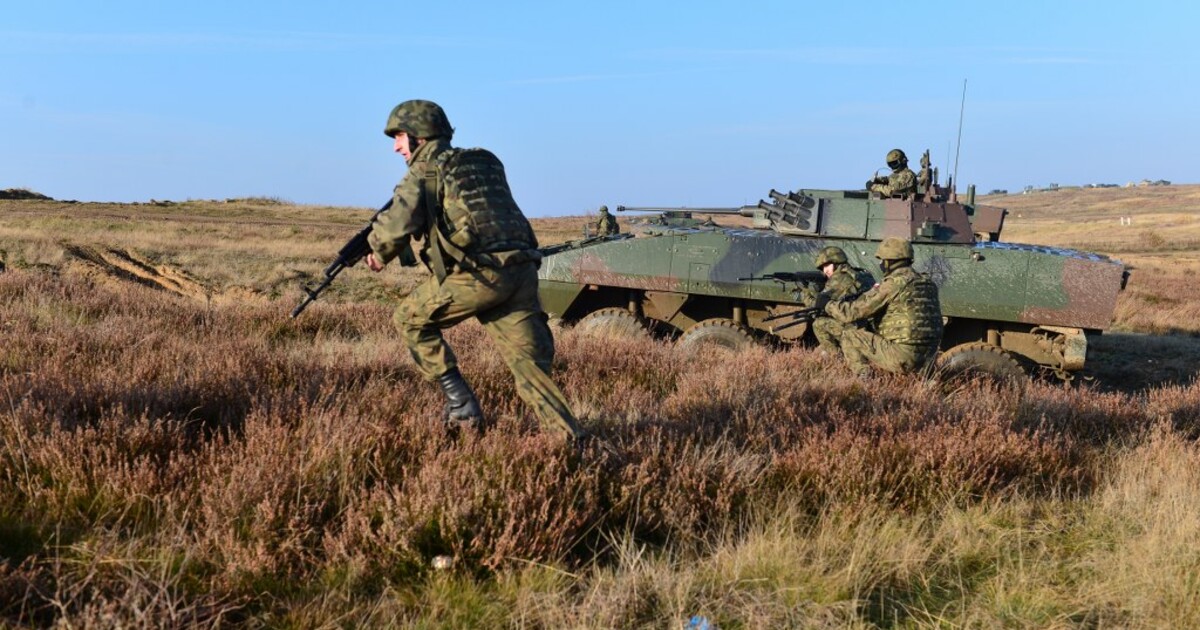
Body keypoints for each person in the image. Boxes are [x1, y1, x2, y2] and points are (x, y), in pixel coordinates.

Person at [364, 99, 585, 440]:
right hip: (522, 270)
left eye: (399, 136)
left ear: (420, 137)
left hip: (480, 275)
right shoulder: (484, 162)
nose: (396, 147)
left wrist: (378, 254)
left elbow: (398, 223)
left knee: (410, 319)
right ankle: (570, 444)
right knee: (531, 370)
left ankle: (461, 405)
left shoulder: (423, 171)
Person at [819, 237, 943, 377]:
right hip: (929, 358)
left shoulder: (894, 283)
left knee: (849, 334)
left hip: (903, 357)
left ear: (890, 261)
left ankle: (864, 379)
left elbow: (853, 312)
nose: (881, 264)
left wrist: (827, 305)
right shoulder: (927, 282)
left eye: (882, 260)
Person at [803, 246, 871, 353]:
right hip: (868, 325)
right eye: (823, 268)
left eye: (827, 266)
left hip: (855, 328)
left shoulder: (838, 279)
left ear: (836, 262)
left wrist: (805, 294)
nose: (825, 271)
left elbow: (819, 305)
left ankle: (836, 355)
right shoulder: (858, 273)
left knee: (818, 323)